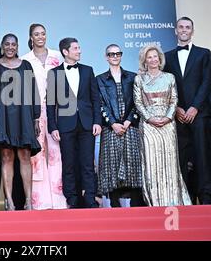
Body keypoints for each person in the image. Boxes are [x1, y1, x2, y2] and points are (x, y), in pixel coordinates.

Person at [0, 33, 41, 210]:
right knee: (6, 156)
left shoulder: (26, 65)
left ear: (18, 47)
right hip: (3, 116)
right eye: (7, 44)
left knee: (24, 156)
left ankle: (28, 201)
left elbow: (34, 92)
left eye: (14, 44)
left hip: (23, 115)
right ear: (2, 46)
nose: (10, 47)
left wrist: (36, 118)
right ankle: (9, 201)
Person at [46, 37, 102, 208]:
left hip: (87, 124)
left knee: (87, 163)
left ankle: (90, 199)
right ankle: (72, 199)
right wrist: (53, 127)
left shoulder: (87, 70)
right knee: (68, 163)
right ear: (65, 52)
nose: (79, 51)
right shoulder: (54, 73)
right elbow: (50, 103)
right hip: (65, 125)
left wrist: (97, 121)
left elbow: (95, 99)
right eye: (76, 48)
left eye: (79, 47)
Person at [133, 45, 191, 206]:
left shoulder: (169, 77)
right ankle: (154, 201)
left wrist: (167, 117)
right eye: (149, 57)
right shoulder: (139, 79)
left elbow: (174, 100)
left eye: (155, 56)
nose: (153, 59)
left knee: (170, 162)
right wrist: (150, 118)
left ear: (160, 59)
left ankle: (173, 199)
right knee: (151, 164)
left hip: (168, 125)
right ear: (145, 60)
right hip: (148, 126)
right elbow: (138, 102)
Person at [163, 17, 211, 205]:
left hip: (200, 114)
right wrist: (176, 108)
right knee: (181, 159)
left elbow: (207, 82)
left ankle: (206, 197)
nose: (184, 30)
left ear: (192, 31)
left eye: (187, 27)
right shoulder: (167, 57)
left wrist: (194, 107)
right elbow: (167, 86)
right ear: (176, 30)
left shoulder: (204, 54)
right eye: (181, 27)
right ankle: (186, 198)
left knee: (202, 155)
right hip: (178, 116)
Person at [21, 23, 67, 210]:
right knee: (36, 155)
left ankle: (59, 200)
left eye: (43, 33)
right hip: (34, 112)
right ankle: (38, 201)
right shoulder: (25, 60)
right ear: (31, 37)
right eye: (36, 34)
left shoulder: (57, 56)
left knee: (56, 153)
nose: (40, 37)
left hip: (57, 110)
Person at [96, 44, 143, 207]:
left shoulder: (133, 77)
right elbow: (100, 105)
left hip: (131, 127)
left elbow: (138, 102)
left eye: (117, 53)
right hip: (110, 129)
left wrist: (129, 121)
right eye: (111, 54)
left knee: (133, 164)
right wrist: (113, 123)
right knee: (112, 164)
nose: (115, 56)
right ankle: (115, 205)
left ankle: (137, 205)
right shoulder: (99, 79)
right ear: (106, 57)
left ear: (121, 55)